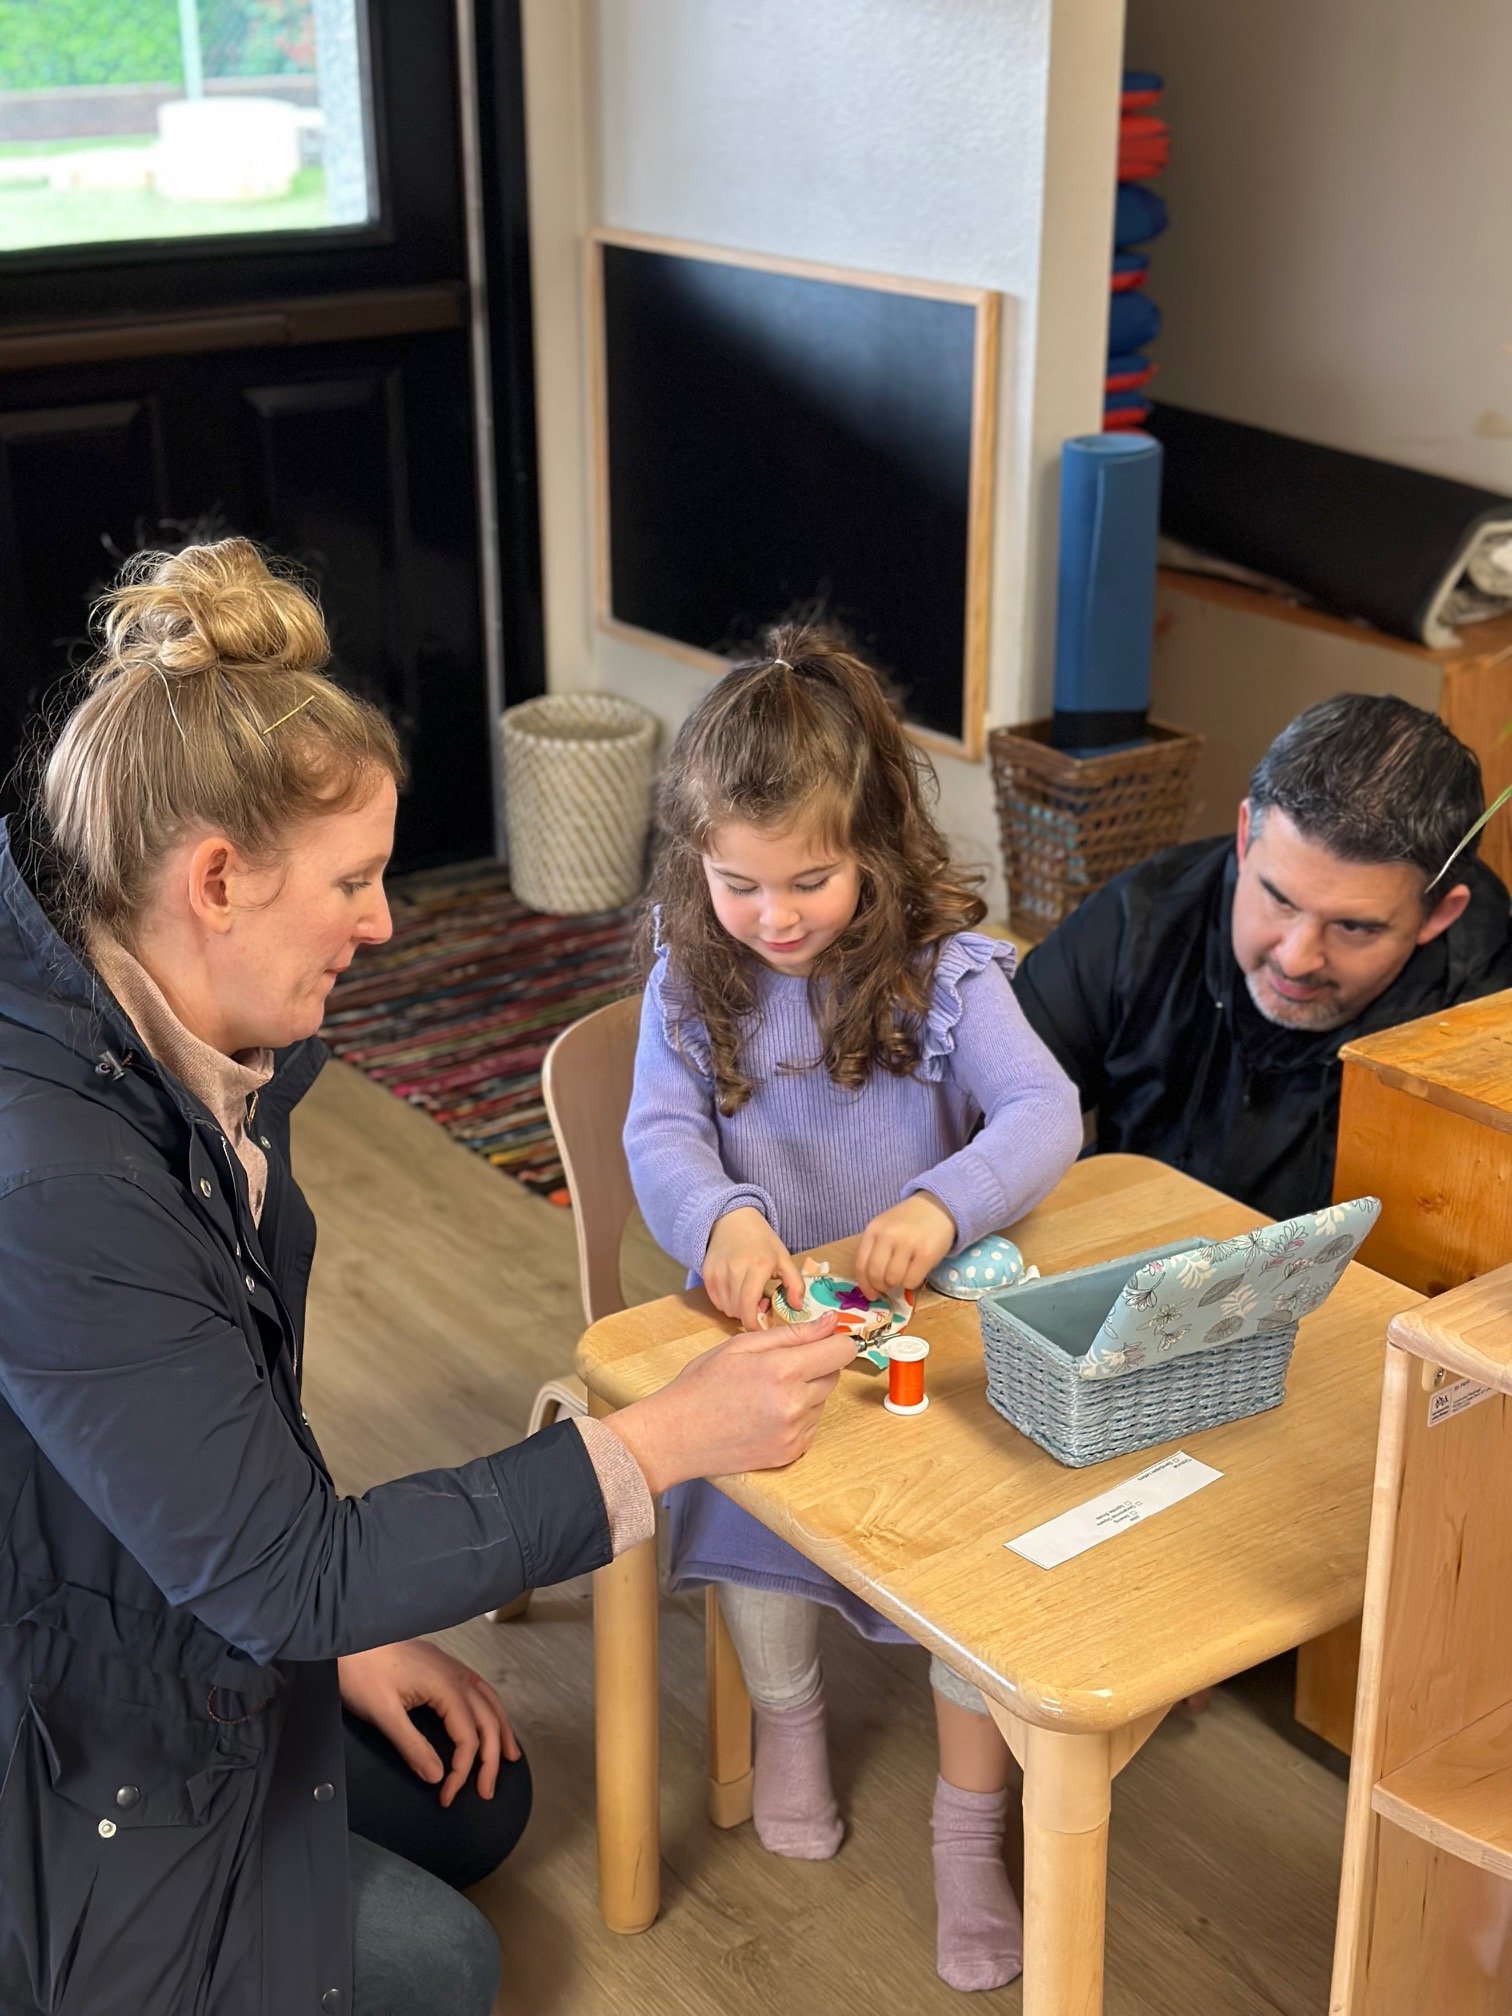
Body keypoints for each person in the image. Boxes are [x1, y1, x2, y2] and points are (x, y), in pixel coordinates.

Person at [0, 540, 856, 2016]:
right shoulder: (61, 1184)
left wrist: (338, 1639)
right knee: (443, 1971)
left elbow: (197, 1445)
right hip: (54, 1733)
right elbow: (278, 1565)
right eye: (354, 882)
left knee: (480, 1799)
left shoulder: (189, 1047)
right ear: (216, 881)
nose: (386, 922)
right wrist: (664, 1441)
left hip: (134, 1610)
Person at [622, 627, 1083, 1993]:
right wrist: (721, 1218)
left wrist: (945, 1204)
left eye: (809, 881)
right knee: (746, 1515)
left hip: (921, 1348)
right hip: (775, 1340)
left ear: (874, 847)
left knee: (982, 1558)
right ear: (697, 862)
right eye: (739, 884)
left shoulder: (946, 968)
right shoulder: (688, 978)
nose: (774, 918)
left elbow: (1045, 1110)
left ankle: (966, 1829)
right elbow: (660, 1136)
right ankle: (789, 1723)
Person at [1014, 694, 1512, 1221]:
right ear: (1245, 836)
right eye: (1279, 899)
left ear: (1439, 915)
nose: (1296, 960)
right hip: (1126, 1248)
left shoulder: (1490, 1021)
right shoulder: (1142, 918)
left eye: (1353, 927)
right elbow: (981, 1109)